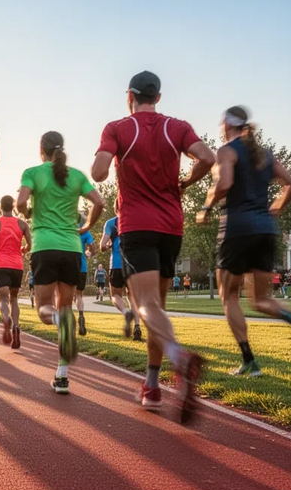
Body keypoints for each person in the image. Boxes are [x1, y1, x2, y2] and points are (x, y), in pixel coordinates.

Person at [90, 70, 215, 422]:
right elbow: (208, 157)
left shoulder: (117, 128)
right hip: (171, 227)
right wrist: (186, 182)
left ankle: (180, 358)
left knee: (145, 306)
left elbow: (98, 173)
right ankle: (152, 384)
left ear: (129, 96)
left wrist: (107, 160)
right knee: (157, 309)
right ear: (158, 97)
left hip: (137, 225)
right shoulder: (178, 127)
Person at [198, 106, 291, 377]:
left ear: (226, 125)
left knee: (228, 296)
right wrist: (276, 208)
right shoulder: (264, 154)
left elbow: (224, 184)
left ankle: (249, 361)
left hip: (237, 229)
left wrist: (206, 207)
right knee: (261, 300)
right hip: (266, 230)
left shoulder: (227, 151)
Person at [18, 132, 104, 394]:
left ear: (41, 150)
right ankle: (62, 376)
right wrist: (86, 226)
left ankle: (57, 319)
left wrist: (28, 212)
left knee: (44, 309)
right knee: (66, 310)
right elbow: (99, 202)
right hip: (71, 248)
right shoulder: (76, 175)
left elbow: (21, 202)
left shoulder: (32, 173)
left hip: (45, 246)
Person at [0, 195, 31, 349]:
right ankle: (16, 325)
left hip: (0, 265)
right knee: (14, 298)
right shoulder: (23, 224)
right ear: (14, 206)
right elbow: (30, 245)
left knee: (3, 299)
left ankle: (6, 320)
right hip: (17, 265)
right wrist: (23, 249)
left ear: (0, 206)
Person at [101, 213, 143, 341]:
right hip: (133, 264)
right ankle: (137, 327)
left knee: (115, 295)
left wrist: (108, 245)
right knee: (132, 297)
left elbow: (102, 246)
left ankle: (126, 312)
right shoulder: (136, 220)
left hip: (116, 264)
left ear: (115, 208)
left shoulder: (111, 223)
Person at [74, 215, 95, 336]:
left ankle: (66, 322)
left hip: (68, 266)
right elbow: (92, 248)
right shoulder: (85, 231)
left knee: (65, 295)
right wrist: (89, 253)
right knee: (78, 295)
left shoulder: (66, 229)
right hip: (82, 266)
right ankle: (81, 315)